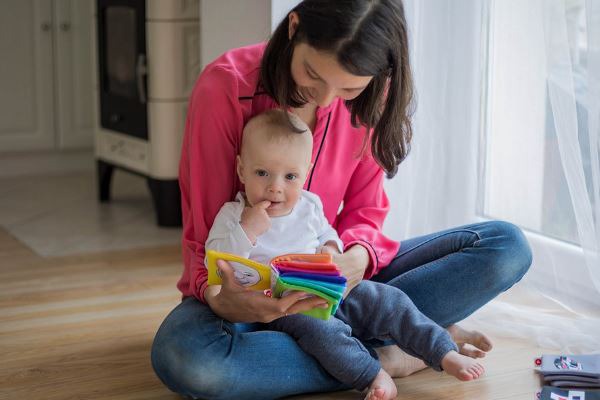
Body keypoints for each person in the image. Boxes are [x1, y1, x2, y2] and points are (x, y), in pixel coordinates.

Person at [151, 1, 533, 399]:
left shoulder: (372, 95)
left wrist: (354, 259)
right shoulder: (225, 87)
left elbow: (365, 212)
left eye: (349, 87)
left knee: (505, 246)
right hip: (244, 300)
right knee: (188, 360)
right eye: (313, 75)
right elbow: (205, 239)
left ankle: (365, 346)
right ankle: (393, 353)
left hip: (338, 287)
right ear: (294, 27)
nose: (329, 98)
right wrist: (228, 301)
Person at [205, 109, 485, 400]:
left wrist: (331, 249)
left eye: (290, 176)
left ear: (306, 173)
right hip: (284, 306)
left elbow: (328, 233)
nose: (276, 187)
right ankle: (372, 373)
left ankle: (443, 352)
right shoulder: (233, 215)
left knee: (388, 300)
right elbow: (216, 259)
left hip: (328, 288)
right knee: (322, 331)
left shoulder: (309, 205)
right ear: (241, 170)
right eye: (262, 173)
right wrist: (247, 231)